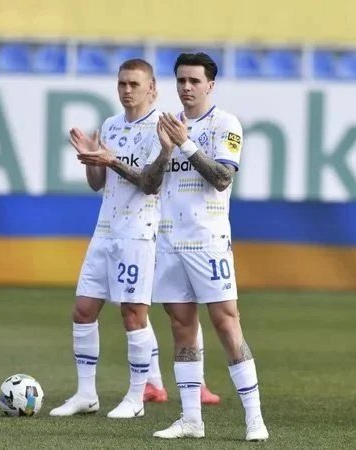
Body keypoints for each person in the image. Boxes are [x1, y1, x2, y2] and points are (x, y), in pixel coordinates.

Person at [146, 52, 268, 441]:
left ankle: (254, 418)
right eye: (181, 80)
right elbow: (149, 184)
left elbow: (222, 177)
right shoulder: (166, 124)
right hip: (169, 239)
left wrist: (184, 144)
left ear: (210, 85)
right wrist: (165, 150)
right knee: (181, 326)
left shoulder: (224, 124)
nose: (186, 87)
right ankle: (191, 419)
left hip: (208, 241)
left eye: (194, 81)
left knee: (226, 323)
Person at [48, 58, 164, 419]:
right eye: (122, 84)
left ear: (151, 88)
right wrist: (91, 160)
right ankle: (86, 394)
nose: (127, 90)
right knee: (83, 310)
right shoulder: (111, 125)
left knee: (133, 314)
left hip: (138, 232)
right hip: (105, 229)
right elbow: (98, 184)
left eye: (134, 84)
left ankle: (135, 398)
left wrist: (110, 160)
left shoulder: (160, 129)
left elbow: (150, 183)